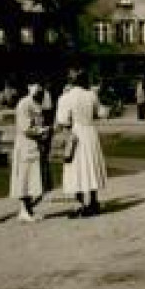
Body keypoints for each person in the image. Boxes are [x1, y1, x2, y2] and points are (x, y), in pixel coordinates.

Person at [56, 68, 107, 217]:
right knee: (91, 166)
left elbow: (63, 120)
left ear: (70, 81)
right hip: (90, 133)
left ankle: (82, 204)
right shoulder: (91, 95)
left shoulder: (66, 97)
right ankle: (93, 202)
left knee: (77, 168)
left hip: (76, 133)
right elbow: (100, 113)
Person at [9, 81, 49, 222]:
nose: (39, 88)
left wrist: (43, 131)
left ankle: (29, 210)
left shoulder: (37, 103)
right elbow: (26, 128)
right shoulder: (24, 104)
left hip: (35, 145)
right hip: (26, 145)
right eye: (35, 85)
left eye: (40, 86)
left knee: (33, 180)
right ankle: (24, 210)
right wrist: (41, 131)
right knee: (24, 179)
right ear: (29, 87)